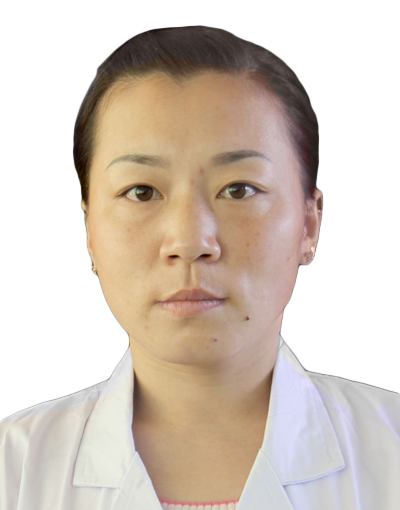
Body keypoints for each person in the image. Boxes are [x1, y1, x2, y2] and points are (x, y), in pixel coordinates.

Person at [0, 25, 399, 510]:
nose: (189, 242)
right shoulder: (13, 470)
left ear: (309, 225)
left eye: (239, 190)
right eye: (142, 192)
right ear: (90, 230)